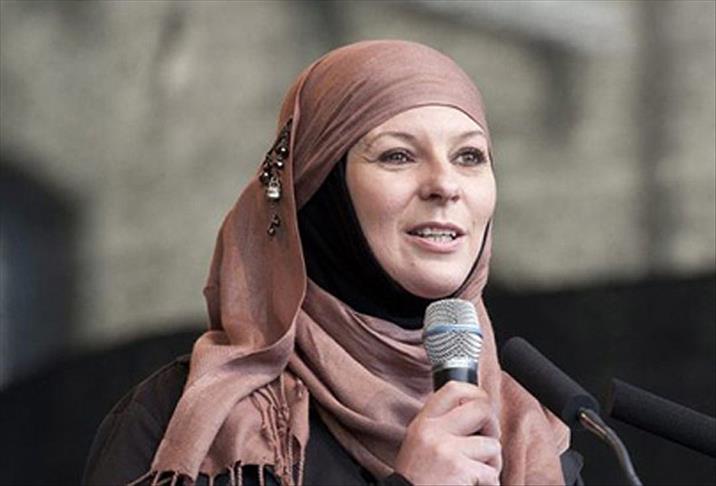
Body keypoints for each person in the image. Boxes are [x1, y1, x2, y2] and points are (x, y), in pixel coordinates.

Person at [84, 40, 583, 486]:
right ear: (322, 191)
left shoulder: (532, 432)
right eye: (397, 156)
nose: (445, 185)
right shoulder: (188, 422)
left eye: (469, 156)